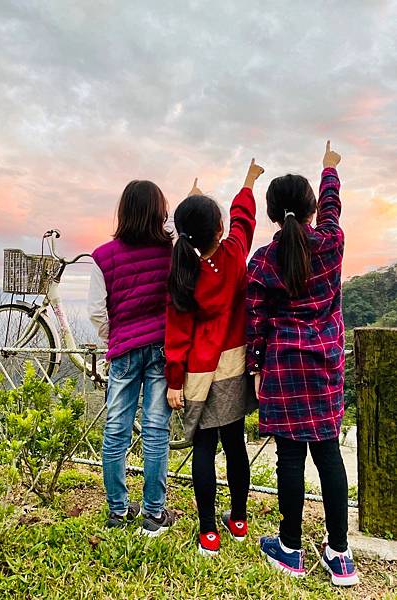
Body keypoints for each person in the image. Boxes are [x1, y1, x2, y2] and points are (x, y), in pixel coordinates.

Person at [246, 141, 359, 586]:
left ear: (273, 214)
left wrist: (256, 369)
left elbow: (254, 320)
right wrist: (329, 170)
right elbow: (333, 211)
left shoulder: (264, 260)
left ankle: (289, 549)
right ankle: (340, 555)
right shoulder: (330, 244)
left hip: (284, 366)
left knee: (289, 457)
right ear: (311, 209)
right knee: (328, 454)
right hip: (326, 365)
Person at [165, 160, 264, 556]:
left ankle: (209, 532)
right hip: (236, 366)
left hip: (199, 375)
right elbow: (244, 219)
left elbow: (176, 334)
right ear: (219, 230)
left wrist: (174, 380)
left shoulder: (183, 271)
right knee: (236, 445)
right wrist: (248, 181)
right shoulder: (235, 254)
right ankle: (238, 521)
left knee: (203, 450)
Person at [88, 180, 176, 536]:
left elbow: (97, 312)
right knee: (156, 430)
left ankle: (117, 511)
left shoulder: (103, 256)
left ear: (123, 211)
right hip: (161, 348)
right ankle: (154, 514)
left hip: (123, 350)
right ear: (159, 211)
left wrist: (116, 337)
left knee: (116, 430)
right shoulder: (170, 251)